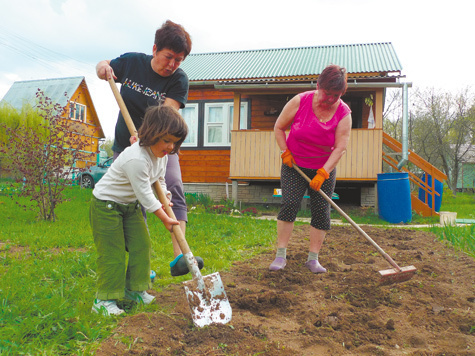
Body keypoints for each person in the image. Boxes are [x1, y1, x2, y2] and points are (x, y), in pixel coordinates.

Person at [96, 20, 203, 277]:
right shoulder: (132, 62)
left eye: (179, 60)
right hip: (127, 145)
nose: (173, 64)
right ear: (155, 49)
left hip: (161, 142)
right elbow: (105, 66)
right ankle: (141, 263)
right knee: (135, 198)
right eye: (169, 57)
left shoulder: (179, 79)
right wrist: (102, 68)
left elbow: (166, 117)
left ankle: (181, 256)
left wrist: (148, 138)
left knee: (173, 186)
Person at [90, 105, 187, 316]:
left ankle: (134, 290)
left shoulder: (161, 155)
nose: (171, 146)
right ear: (153, 134)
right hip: (106, 205)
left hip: (130, 205)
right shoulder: (137, 158)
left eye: (175, 142)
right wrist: (165, 218)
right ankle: (103, 300)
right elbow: (145, 195)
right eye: (167, 140)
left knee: (141, 245)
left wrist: (167, 200)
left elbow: (159, 181)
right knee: (112, 253)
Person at [270, 64, 352, 273]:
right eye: (327, 93)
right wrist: (284, 151)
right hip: (294, 165)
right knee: (289, 204)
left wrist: (323, 172)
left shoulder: (343, 113)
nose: (331, 99)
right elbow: (279, 127)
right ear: (318, 85)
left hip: (323, 169)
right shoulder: (300, 101)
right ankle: (280, 255)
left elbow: (341, 147)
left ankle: (313, 259)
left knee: (322, 212)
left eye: (336, 95)